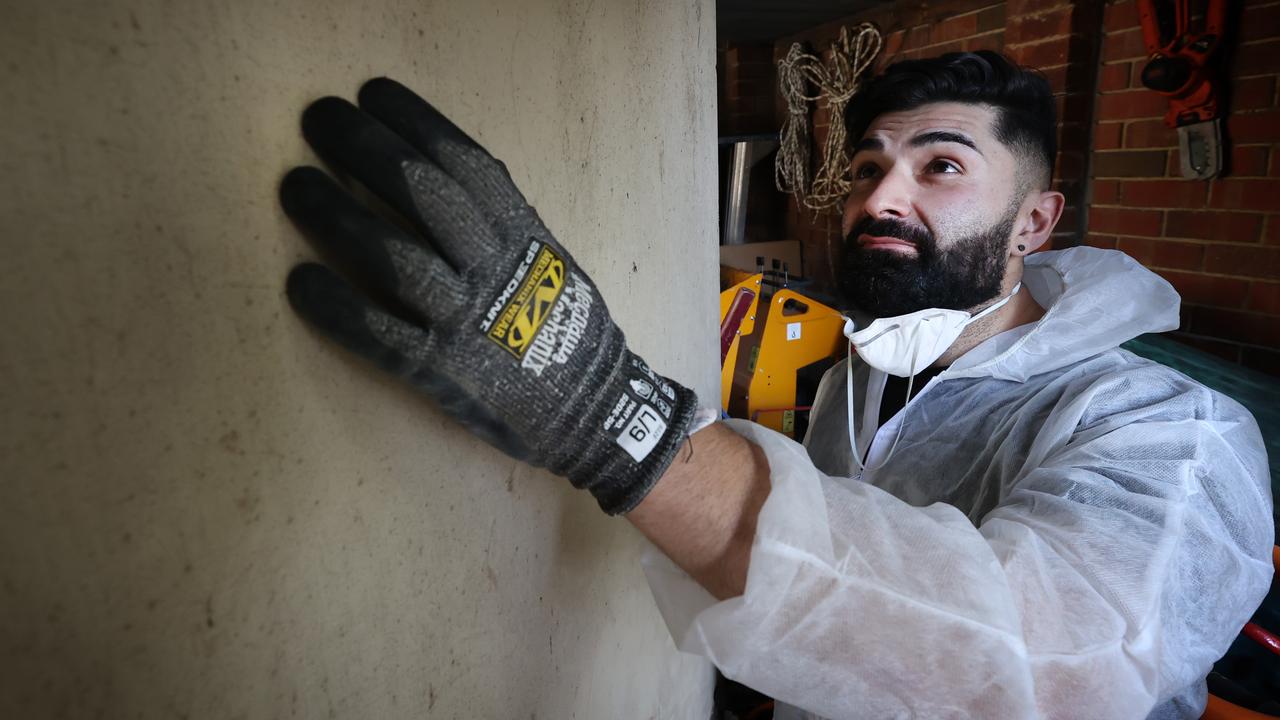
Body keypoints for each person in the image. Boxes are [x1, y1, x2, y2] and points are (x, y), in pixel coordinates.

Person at [278, 52, 1272, 720]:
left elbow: (1047, 666)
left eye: (939, 167)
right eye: (870, 164)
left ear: (1034, 222)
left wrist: (607, 417)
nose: (880, 196)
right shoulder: (859, 379)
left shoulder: (1173, 433)